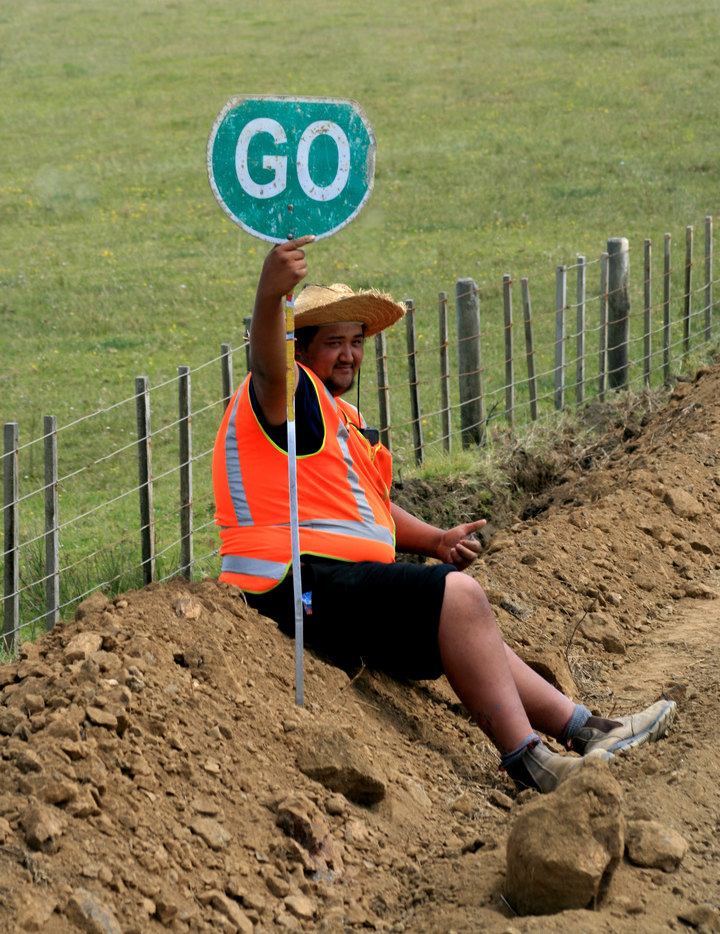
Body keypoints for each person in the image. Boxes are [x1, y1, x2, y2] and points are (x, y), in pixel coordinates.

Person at [213, 237, 675, 793]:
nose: (348, 355)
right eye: (333, 342)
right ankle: (530, 761)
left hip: (337, 585)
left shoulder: (340, 417)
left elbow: (371, 509)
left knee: (472, 630)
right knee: (460, 597)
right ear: (300, 349)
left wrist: (433, 541)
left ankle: (588, 729)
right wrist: (269, 293)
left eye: (356, 342)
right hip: (290, 586)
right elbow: (266, 365)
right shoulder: (285, 394)